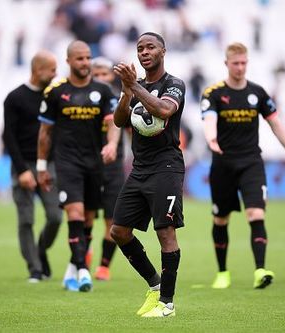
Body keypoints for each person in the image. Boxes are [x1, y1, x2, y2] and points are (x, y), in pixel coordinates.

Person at [201, 42, 285, 290]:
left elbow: (276, 124)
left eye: (244, 63)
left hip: (251, 163)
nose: (240, 67)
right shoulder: (213, 93)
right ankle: (222, 272)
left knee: (256, 214)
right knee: (220, 219)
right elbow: (209, 119)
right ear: (227, 64)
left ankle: (260, 270)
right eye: (236, 63)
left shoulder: (257, 93)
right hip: (223, 164)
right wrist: (211, 139)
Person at [111, 32, 185, 317]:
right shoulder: (135, 85)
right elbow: (119, 121)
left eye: (150, 47)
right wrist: (128, 92)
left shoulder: (174, 84)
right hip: (140, 168)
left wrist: (134, 88)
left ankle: (167, 303)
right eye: (140, 48)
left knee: (165, 233)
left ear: (162, 51)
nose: (144, 52)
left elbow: (164, 109)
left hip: (166, 167)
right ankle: (155, 285)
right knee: (118, 231)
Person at [37, 40, 119, 292]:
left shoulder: (103, 91)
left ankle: (73, 268)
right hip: (67, 162)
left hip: (94, 163)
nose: (85, 63)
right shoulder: (55, 91)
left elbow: (113, 122)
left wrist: (113, 145)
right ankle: (84, 270)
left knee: (88, 220)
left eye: (87, 58)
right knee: (74, 213)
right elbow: (45, 133)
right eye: (80, 59)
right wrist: (41, 166)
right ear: (69, 61)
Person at [3, 50, 63, 282]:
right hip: (24, 165)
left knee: (56, 217)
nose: (56, 74)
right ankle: (35, 268)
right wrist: (22, 170)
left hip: (48, 165)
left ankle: (39, 249)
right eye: (52, 69)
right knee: (26, 219)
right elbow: (8, 136)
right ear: (38, 70)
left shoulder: (55, 96)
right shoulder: (15, 98)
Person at [91, 56, 124, 281]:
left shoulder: (120, 101)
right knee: (85, 215)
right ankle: (83, 253)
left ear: (112, 76)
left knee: (111, 220)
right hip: (88, 164)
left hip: (113, 166)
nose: (102, 78)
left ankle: (104, 266)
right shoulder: (82, 99)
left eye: (105, 74)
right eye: (97, 74)